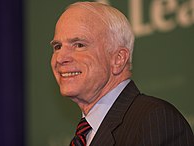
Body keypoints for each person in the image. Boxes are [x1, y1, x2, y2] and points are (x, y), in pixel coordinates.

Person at [50, 1, 194, 146]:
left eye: (79, 45)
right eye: (57, 46)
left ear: (118, 59)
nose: (60, 58)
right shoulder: (84, 136)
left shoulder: (156, 121)